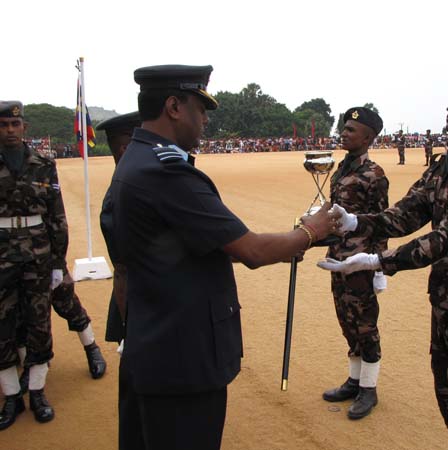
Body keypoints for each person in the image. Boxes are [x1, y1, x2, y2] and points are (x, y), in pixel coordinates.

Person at [102, 64, 334, 450]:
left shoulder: (138, 158)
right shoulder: (165, 172)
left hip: (157, 347)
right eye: (201, 108)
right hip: (182, 360)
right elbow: (251, 250)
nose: (206, 119)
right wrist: (311, 231)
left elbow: (186, 246)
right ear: (174, 106)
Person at [319, 71, 448, 449]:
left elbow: (445, 237)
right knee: (447, 385)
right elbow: (407, 212)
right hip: (446, 286)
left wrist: (377, 262)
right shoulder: (444, 165)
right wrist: (357, 221)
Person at [0, 101, 67, 429]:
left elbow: (57, 215)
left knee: (39, 323)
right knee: (2, 326)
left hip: (38, 255)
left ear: (24, 127)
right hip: (1, 257)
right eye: (3, 125)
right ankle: (12, 396)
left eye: (14, 125)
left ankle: (37, 391)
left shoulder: (43, 163)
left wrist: (58, 261)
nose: (9, 131)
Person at [322, 107, 389, 420]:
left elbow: (383, 222)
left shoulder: (374, 175)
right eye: (344, 128)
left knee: (365, 325)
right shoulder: (341, 170)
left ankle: (369, 388)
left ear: (368, 137)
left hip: (361, 261)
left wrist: (379, 269)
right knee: (346, 321)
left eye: (351, 129)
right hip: (337, 259)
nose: (344, 133)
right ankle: (354, 379)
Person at [96, 112, 141, 348]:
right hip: (140, 307)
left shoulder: (125, 185)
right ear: (125, 149)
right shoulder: (123, 195)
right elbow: (123, 270)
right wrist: (130, 330)